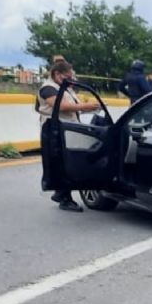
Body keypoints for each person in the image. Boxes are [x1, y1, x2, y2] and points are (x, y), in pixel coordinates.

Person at [36, 58, 100, 212]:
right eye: (67, 76)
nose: (70, 79)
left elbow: (73, 106)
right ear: (57, 74)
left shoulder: (65, 88)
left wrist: (88, 108)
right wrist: (85, 106)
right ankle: (64, 197)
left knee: (68, 162)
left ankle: (61, 193)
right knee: (60, 163)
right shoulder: (48, 89)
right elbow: (62, 106)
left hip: (67, 130)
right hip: (54, 131)